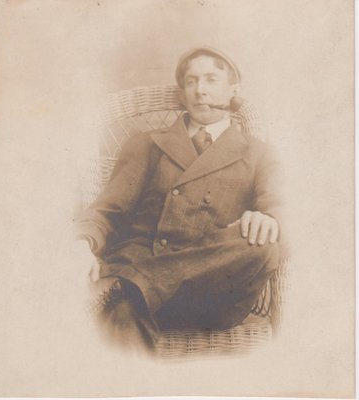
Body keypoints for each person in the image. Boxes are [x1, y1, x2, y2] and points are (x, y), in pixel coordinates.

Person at [74, 46, 284, 350]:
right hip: (141, 265)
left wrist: (269, 218)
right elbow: (108, 210)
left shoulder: (258, 153)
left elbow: (286, 211)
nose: (201, 90)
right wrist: (82, 243)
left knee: (264, 245)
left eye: (211, 79)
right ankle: (134, 291)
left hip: (207, 293)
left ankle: (131, 284)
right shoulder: (146, 144)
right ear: (182, 94)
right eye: (191, 81)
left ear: (233, 89)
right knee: (119, 334)